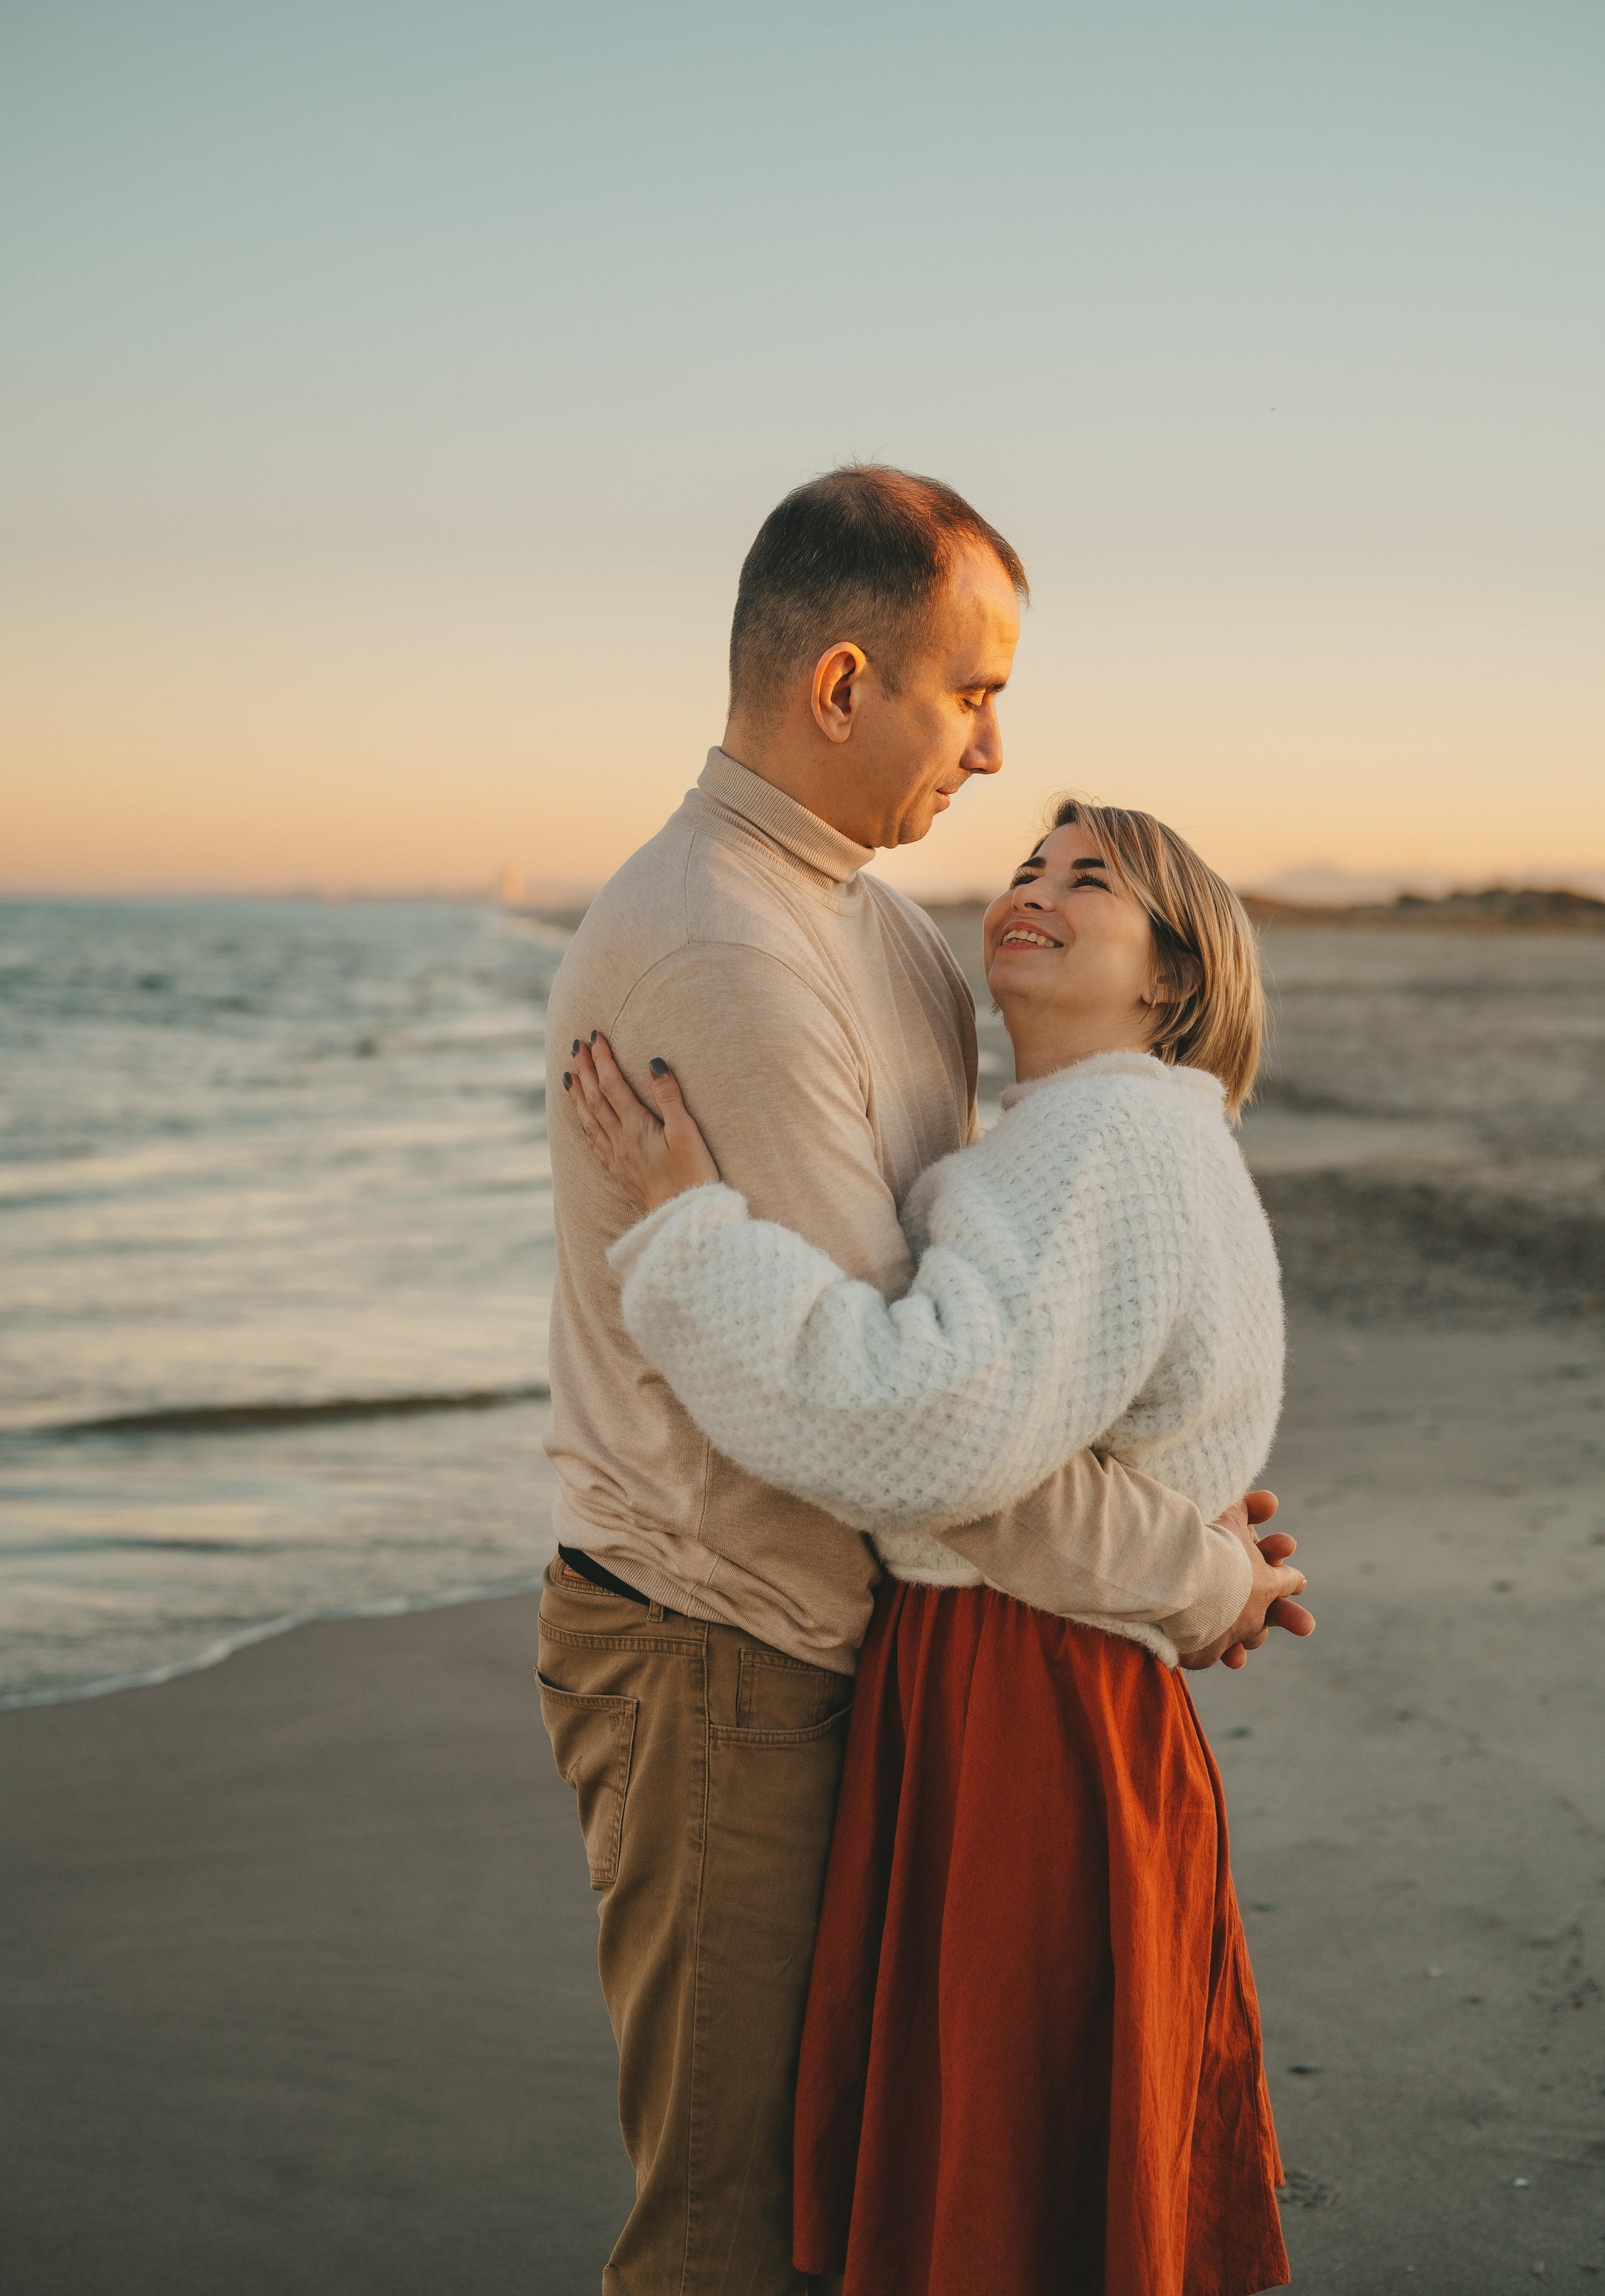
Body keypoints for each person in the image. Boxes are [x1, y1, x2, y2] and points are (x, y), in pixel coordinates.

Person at [538, 466, 1307, 2295]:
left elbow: (989, 1367)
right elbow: (911, 1432)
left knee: (892, 2206)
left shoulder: (883, 939)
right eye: (971, 694)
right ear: (841, 685)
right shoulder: (732, 947)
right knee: (741, 2223)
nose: (990, 756)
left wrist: (1180, 1522)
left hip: (885, 1653)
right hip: (723, 1644)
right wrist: (1192, 1569)